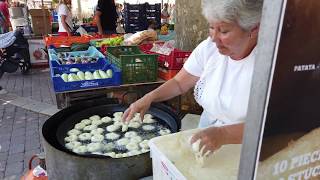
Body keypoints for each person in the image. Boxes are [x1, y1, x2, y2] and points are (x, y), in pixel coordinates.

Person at [123, 0, 263, 155]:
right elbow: (179, 83)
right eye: (211, 27)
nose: (214, 38)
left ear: (254, 29)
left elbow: (274, 124)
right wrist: (149, 97)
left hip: (246, 148)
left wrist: (224, 135)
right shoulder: (209, 48)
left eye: (223, 31)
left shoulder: (271, 63)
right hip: (207, 135)